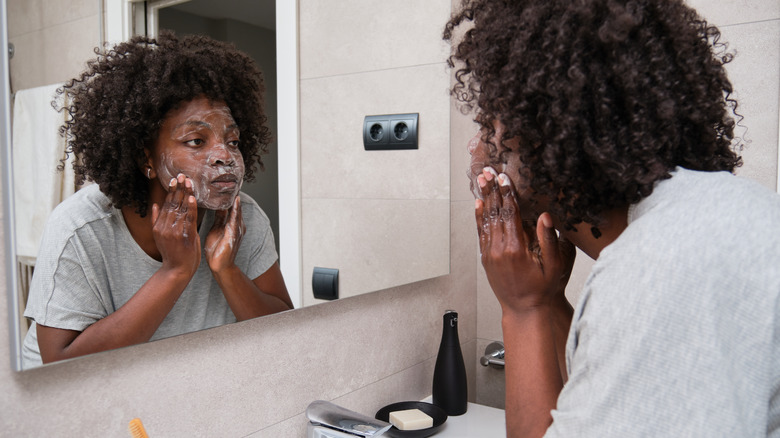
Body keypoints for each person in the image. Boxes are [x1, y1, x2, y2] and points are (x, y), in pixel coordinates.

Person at [444, 0, 780, 436]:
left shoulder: (663, 266)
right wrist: (545, 299)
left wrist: (522, 308)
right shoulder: (697, 220)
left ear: (550, 129)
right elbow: (592, 402)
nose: (478, 146)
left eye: (493, 125)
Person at [21, 32, 293, 368]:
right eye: (196, 141)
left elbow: (285, 331)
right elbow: (60, 364)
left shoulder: (242, 217)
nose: (224, 155)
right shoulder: (80, 228)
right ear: (145, 157)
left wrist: (227, 269)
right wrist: (174, 271)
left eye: (233, 141)